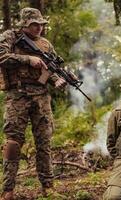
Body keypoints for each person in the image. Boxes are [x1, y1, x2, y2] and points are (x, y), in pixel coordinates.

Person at [0, 7, 66, 199]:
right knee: (13, 143)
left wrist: (56, 80)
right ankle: (8, 189)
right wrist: (27, 59)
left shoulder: (46, 44)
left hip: (41, 96)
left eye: (40, 24)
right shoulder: (9, 37)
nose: (38, 28)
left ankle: (48, 186)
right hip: (17, 95)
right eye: (34, 24)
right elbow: (1, 57)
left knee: (44, 142)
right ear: (24, 24)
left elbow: (51, 69)